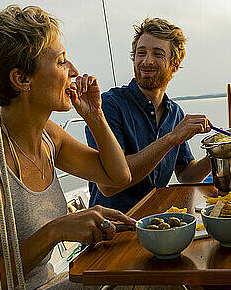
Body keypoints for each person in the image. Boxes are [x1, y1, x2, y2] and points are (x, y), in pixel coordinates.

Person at [0, 6, 180, 290]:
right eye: (61, 61)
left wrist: (95, 117)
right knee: (159, 282)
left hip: (52, 286)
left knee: (170, 270)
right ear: (21, 80)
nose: (74, 71)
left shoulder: (49, 136)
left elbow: (118, 175)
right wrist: (55, 231)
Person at [86, 17, 212, 213]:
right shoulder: (109, 106)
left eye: (158, 54)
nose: (147, 61)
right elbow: (109, 185)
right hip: (111, 230)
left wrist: (221, 151)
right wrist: (171, 138)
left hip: (154, 225)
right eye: (141, 53)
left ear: (175, 64)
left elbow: (187, 175)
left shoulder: (175, 113)